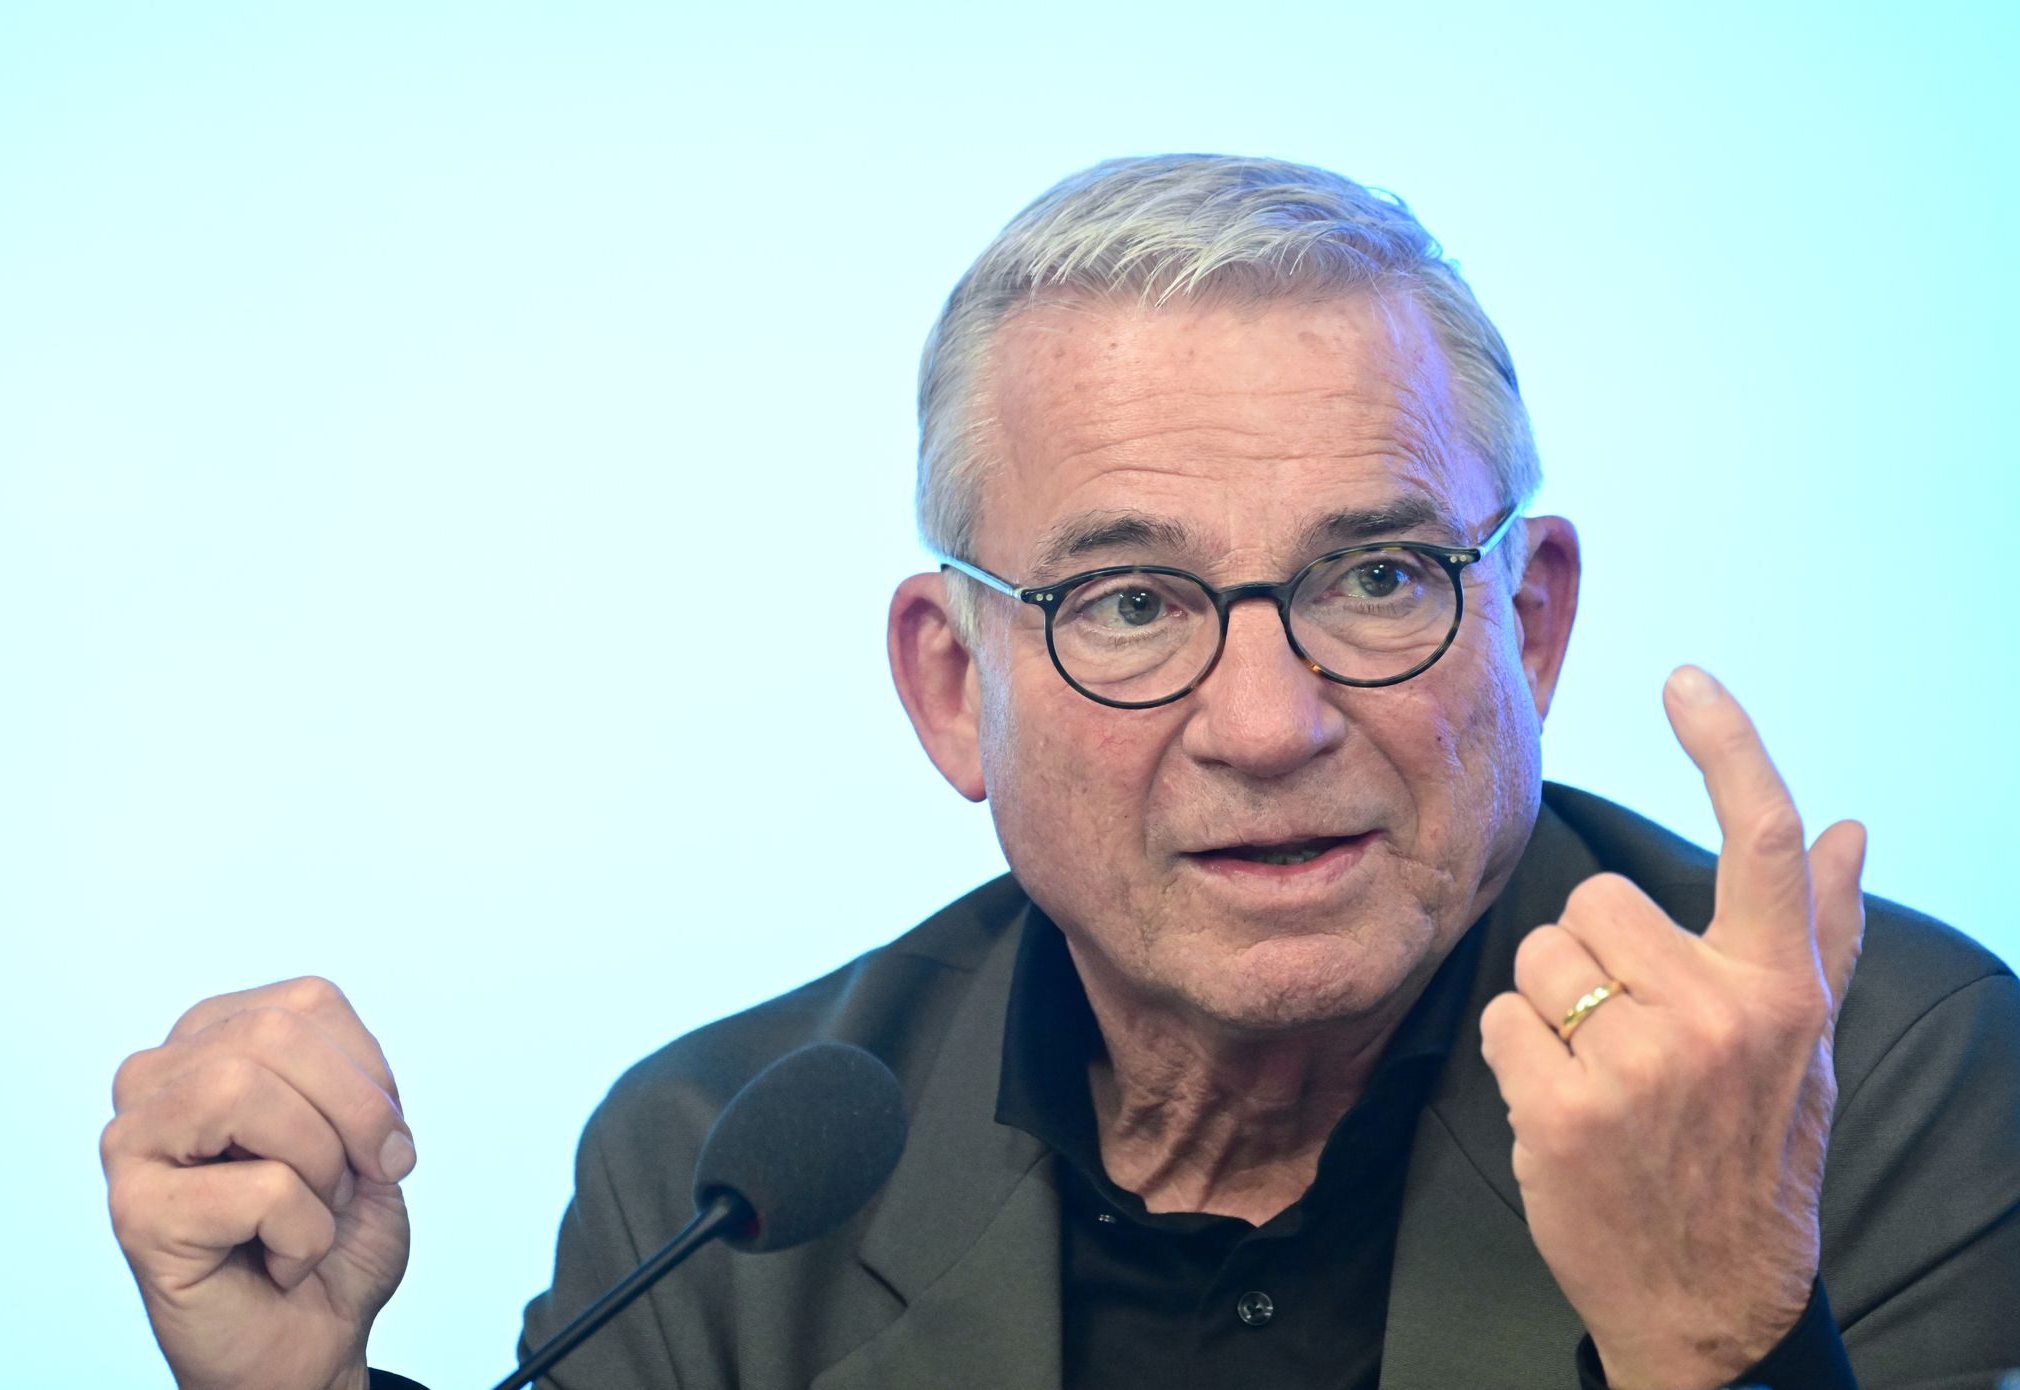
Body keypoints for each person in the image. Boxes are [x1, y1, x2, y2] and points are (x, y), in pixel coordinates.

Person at [103, 155, 2020, 1390]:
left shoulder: (1879, 1078)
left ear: (1526, 628)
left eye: (1375, 576)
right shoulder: (720, 1176)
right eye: (1130, 603)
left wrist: (1718, 1338)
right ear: (954, 689)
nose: (1267, 721)